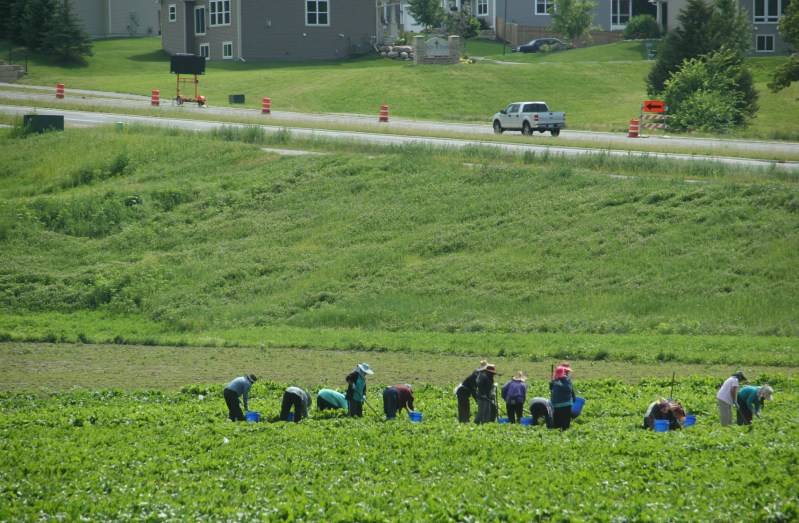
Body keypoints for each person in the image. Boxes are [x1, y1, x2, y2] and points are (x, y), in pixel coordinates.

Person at [549, 364, 575, 430]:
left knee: (565, 422)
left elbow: (569, 390)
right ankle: (557, 435)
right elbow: (551, 388)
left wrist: (560, 384)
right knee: (557, 422)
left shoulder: (566, 380)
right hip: (556, 404)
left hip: (565, 403)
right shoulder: (555, 379)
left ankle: (564, 433)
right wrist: (551, 383)